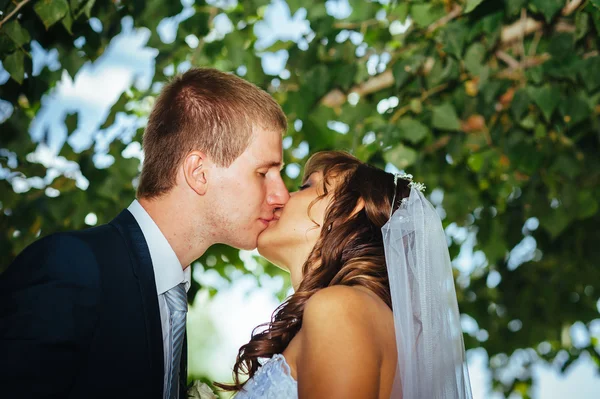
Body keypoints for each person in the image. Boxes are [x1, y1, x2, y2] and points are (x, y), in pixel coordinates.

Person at [0, 68, 290, 399]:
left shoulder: (171, 290)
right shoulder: (72, 268)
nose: (280, 195)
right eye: (264, 172)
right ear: (198, 172)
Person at [218, 151, 472, 398]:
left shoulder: (339, 306)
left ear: (353, 207)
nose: (283, 196)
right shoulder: (358, 312)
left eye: (306, 186)